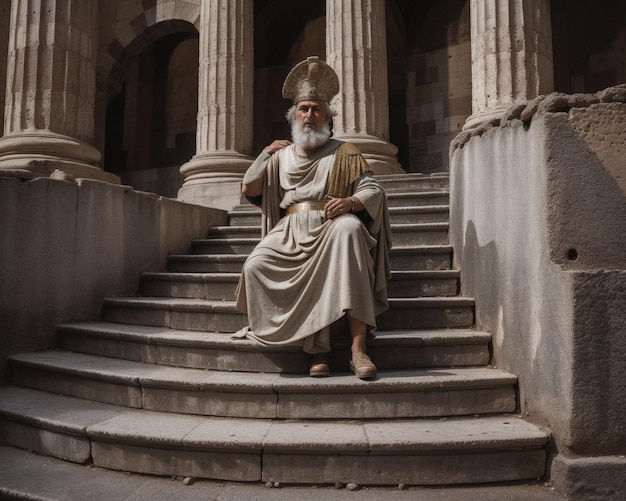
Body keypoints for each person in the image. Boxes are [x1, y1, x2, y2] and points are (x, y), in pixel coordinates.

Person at [234, 56, 391, 379]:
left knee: (349, 232)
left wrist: (350, 203)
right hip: (290, 229)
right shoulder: (280, 156)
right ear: (294, 117)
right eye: (303, 109)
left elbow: (373, 190)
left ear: (327, 117)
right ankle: (316, 348)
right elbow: (249, 186)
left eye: (316, 109)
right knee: (254, 265)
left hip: (331, 225)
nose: (309, 115)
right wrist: (264, 154)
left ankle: (357, 351)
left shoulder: (344, 152)